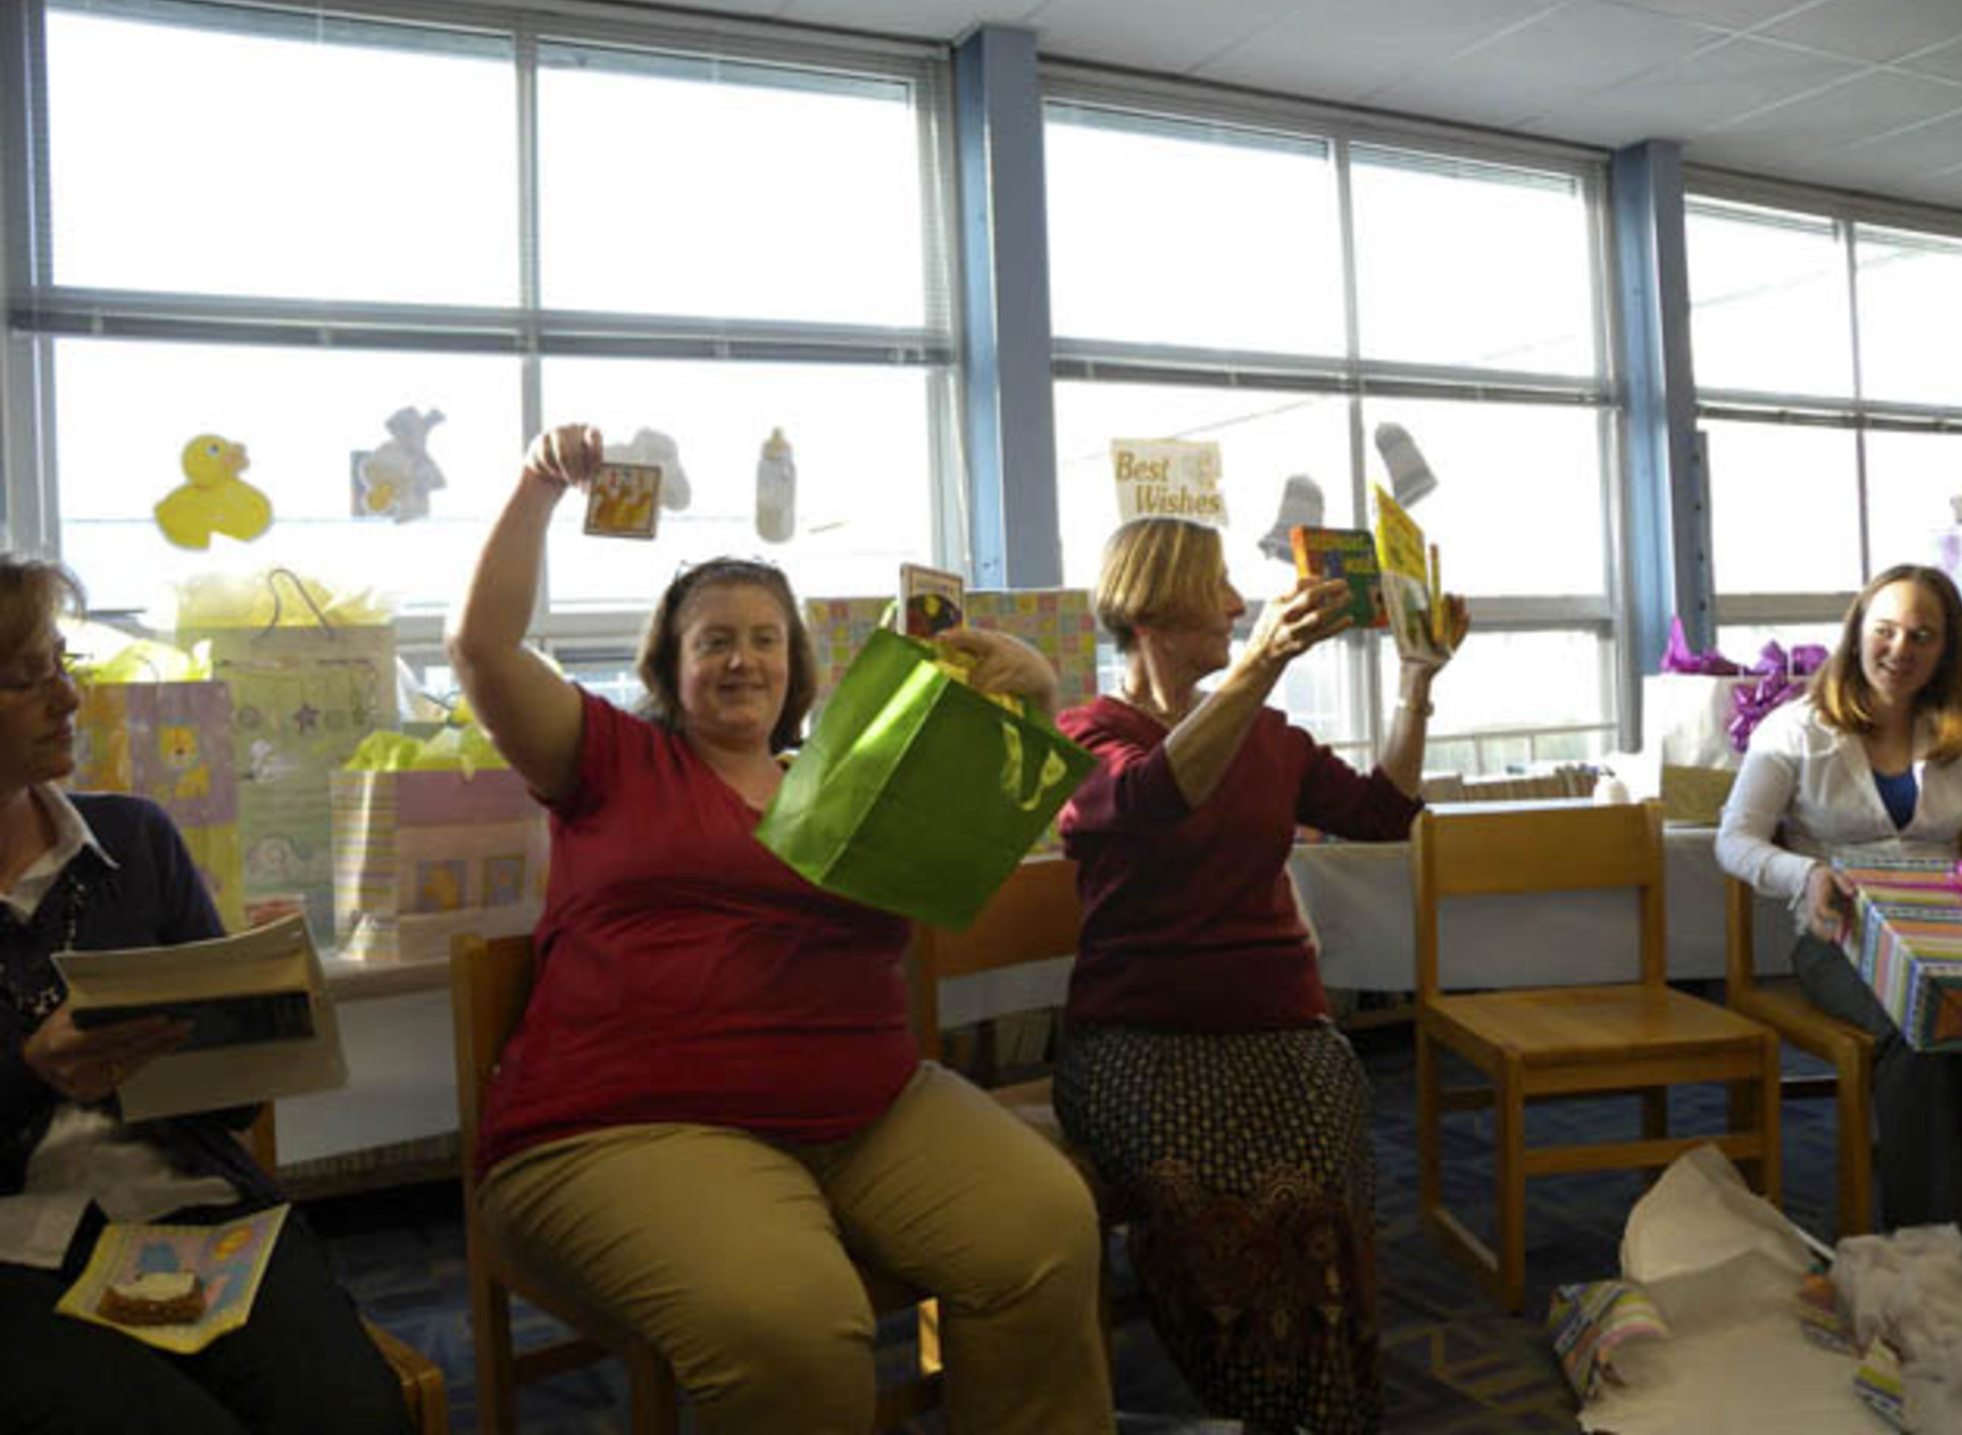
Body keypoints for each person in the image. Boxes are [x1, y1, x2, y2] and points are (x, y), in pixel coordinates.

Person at [447, 422, 1115, 1435]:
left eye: (764, 639)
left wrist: (1035, 688)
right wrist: (540, 482)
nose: (742, 660)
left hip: (866, 1104)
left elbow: (980, 831)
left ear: (795, 665)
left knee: (1046, 1226)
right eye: (713, 639)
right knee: (794, 1327)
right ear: (671, 666)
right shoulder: (612, 760)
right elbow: (482, 649)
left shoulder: (848, 779)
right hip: (631, 1123)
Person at [1053, 515, 1465, 1435]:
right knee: (1218, 1206)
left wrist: (1416, 682)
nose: (1241, 605)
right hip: (1139, 1040)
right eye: (1219, 588)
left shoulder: (1268, 734)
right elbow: (1155, 795)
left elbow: (1379, 814)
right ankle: (1260, 1410)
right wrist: (1264, 663)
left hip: (1278, 1028)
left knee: (1321, 1201)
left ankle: (1320, 1416)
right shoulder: (1086, 735)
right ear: (1153, 608)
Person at [0, 555, 409, 1435]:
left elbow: (232, 1109)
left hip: (194, 1212)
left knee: (352, 1417)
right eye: (24, 680)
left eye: (61, 665)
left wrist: (258, 1029)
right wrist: (30, 1069)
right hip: (15, 1252)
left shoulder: (135, 839)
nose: (67, 700)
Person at [1716, 562, 1962, 1285]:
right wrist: (1804, 873)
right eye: (1885, 631)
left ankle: (1960, 1229)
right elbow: (1734, 840)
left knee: (1950, 1021)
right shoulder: (1794, 728)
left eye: (1923, 636)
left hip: (1950, 937)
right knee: (1918, 1029)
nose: (1900, 650)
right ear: (1857, 636)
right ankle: (1929, 1254)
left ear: (1947, 651)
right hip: (1835, 939)